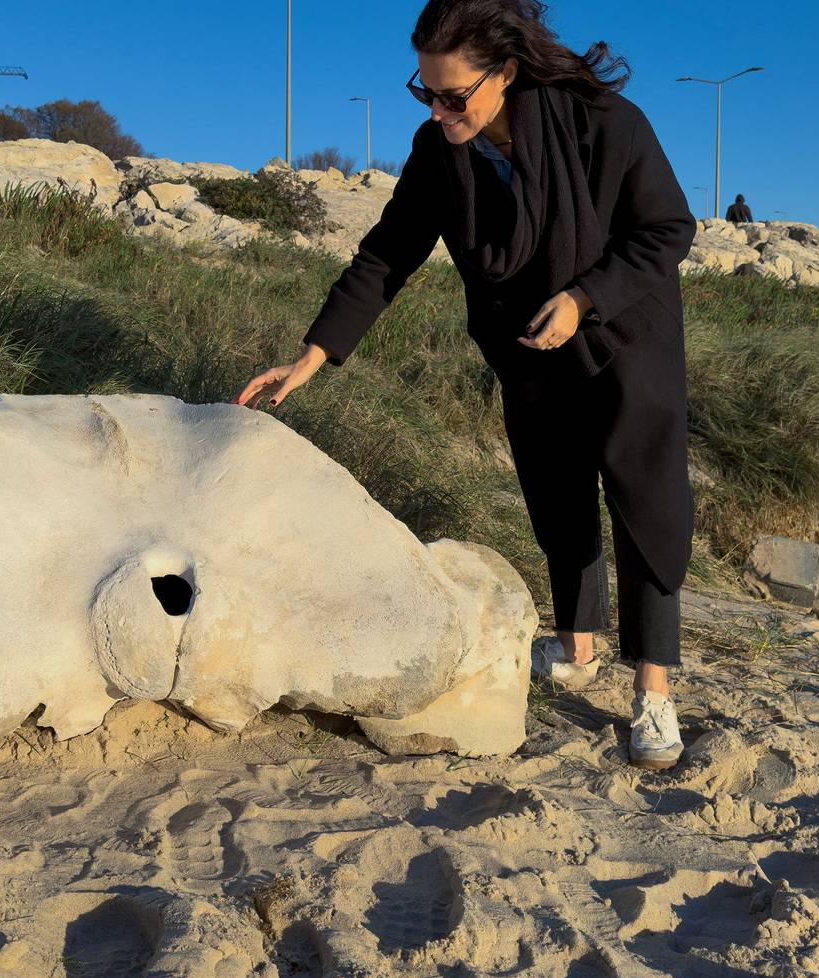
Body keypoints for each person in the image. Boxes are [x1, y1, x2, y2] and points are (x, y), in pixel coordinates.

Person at [232, 0, 696, 770]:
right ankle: (577, 647)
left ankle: (653, 690)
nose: (438, 111)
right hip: (529, 343)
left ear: (505, 72)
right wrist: (313, 353)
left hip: (625, 335)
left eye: (454, 96)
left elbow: (666, 229)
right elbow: (388, 253)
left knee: (646, 503)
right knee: (556, 490)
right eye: (425, 92)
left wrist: (584, 299)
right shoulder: (439, 151)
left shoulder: (604, 123)